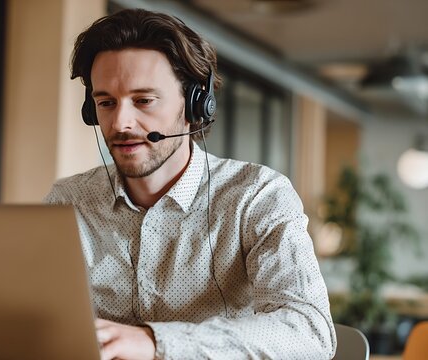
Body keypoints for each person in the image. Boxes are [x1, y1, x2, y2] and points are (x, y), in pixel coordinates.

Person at [44, 8, 336, 360]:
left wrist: (155, 343)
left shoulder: (257, 196)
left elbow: (309, 331)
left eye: (143, 101)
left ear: (195, 104)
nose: (120, 123)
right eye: (106, 103)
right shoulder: (69, 201)